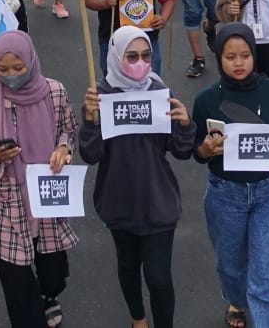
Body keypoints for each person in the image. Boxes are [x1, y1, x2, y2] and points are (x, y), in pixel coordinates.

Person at [191, 23, 269, 328]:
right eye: (230, 56)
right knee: (230, 269)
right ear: (219, 57)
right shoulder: (206, 100)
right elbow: (197, 153)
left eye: (245, 55)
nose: (239, 62)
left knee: (268, 279)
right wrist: (205, 149)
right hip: (224, 194)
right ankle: (237, 301)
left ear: (254, 55)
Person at [78, 27, 195, 328]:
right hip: (119, 202)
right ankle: (137, 318)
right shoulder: (100, 96)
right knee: (128, 265)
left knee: (158, 278)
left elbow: (181, 151)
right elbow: (91, 155)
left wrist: (184, 125)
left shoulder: (160, 92)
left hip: (159, 203)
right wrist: (90, 122)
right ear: (116, 57)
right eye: (131, 56)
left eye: (146, 56)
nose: (140, 62)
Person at [0, 31, 78, 328]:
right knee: (17, 287)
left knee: (53, 272)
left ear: (31, 62)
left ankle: (49, 295)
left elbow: (68, 129)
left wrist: (62, 148)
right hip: (7, 203)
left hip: (47, 196)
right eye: (2, 69)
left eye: (18, 68)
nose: (10, 76)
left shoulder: (54, 92)